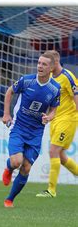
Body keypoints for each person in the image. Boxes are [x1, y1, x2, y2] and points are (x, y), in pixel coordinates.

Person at [1, 52, 60, 208]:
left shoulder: (55, 88)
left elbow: (54, 109)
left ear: (51, 68)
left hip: (36, 132)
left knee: (26, 167)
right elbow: (9, 91)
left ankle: (10, 199)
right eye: (39, 63)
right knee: (16, 161)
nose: (40, 66)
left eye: (44, 64)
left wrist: (49, 117)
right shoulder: (26, 80)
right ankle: (9, 167)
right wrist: (6, 113)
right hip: (19, 126)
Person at [36, 50, 78, 198]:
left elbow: (76, 96)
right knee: (61, 155)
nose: (43, 66)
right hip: (56, 119)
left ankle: (51, 190)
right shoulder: (51, 78)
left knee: (53, 151)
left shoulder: (68, 77)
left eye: (47, 63)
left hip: (68, 119)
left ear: (55, 63)